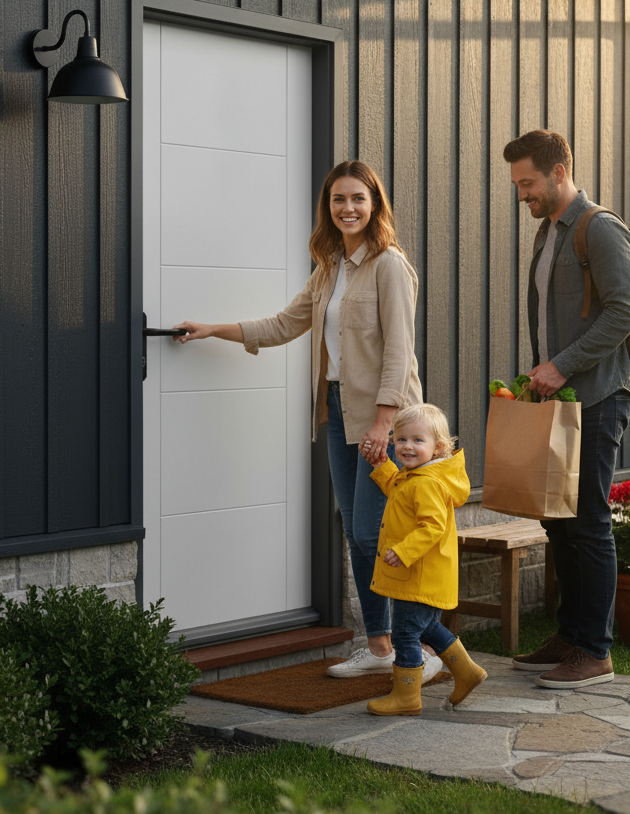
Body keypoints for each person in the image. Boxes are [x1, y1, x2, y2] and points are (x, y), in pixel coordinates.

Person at [172, 161, 441, 681]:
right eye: (339, 199)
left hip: (386, 418)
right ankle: (381, 645)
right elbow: (282, 324)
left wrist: (383, 423)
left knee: (375, 534)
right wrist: (211, 330)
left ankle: (423, 650)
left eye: (358, 198)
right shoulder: (329, 268)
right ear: (328, 207)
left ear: (375, 204)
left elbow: (399, 352)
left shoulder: (389, 265)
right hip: (338, 412)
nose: (348, 208)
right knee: (359, 534)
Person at [504, 130, 630, 689]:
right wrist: (544, 374)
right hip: (558, 402)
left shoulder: (599, 229)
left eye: (528, 183)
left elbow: (624, 312)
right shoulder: (548, 232)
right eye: (517, 185)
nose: (521, 195)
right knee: (557, 519)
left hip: (599, 399)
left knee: (586, 524)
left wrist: (560, 364)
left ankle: (595, 650)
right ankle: (570, 635)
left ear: (560, 171)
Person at [365, 404, 487, 716]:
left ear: (439, 447)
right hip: (424, 574)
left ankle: (406, 696)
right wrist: (381, 464)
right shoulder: (415, 476)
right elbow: (397, 487)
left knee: (406, 633)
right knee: (428, 626)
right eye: (402, 439)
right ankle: (467, 671)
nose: (407, 446)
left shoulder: (427, 482)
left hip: (418, 573)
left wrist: (404, 551)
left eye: (418, 440)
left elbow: (431, 526)